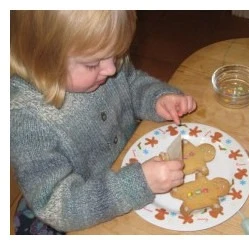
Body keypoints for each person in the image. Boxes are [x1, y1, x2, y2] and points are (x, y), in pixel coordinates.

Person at [10, 10, 197, 234]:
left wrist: (157, 98)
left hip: (132, 173)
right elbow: (57, 206)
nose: (111, 69)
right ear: (42, 58)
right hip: (76, 215)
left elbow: (131, 81)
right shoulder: (27, 121)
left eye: (117, 55)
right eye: (92, 64)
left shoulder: (102, 60)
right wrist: (135, 185)